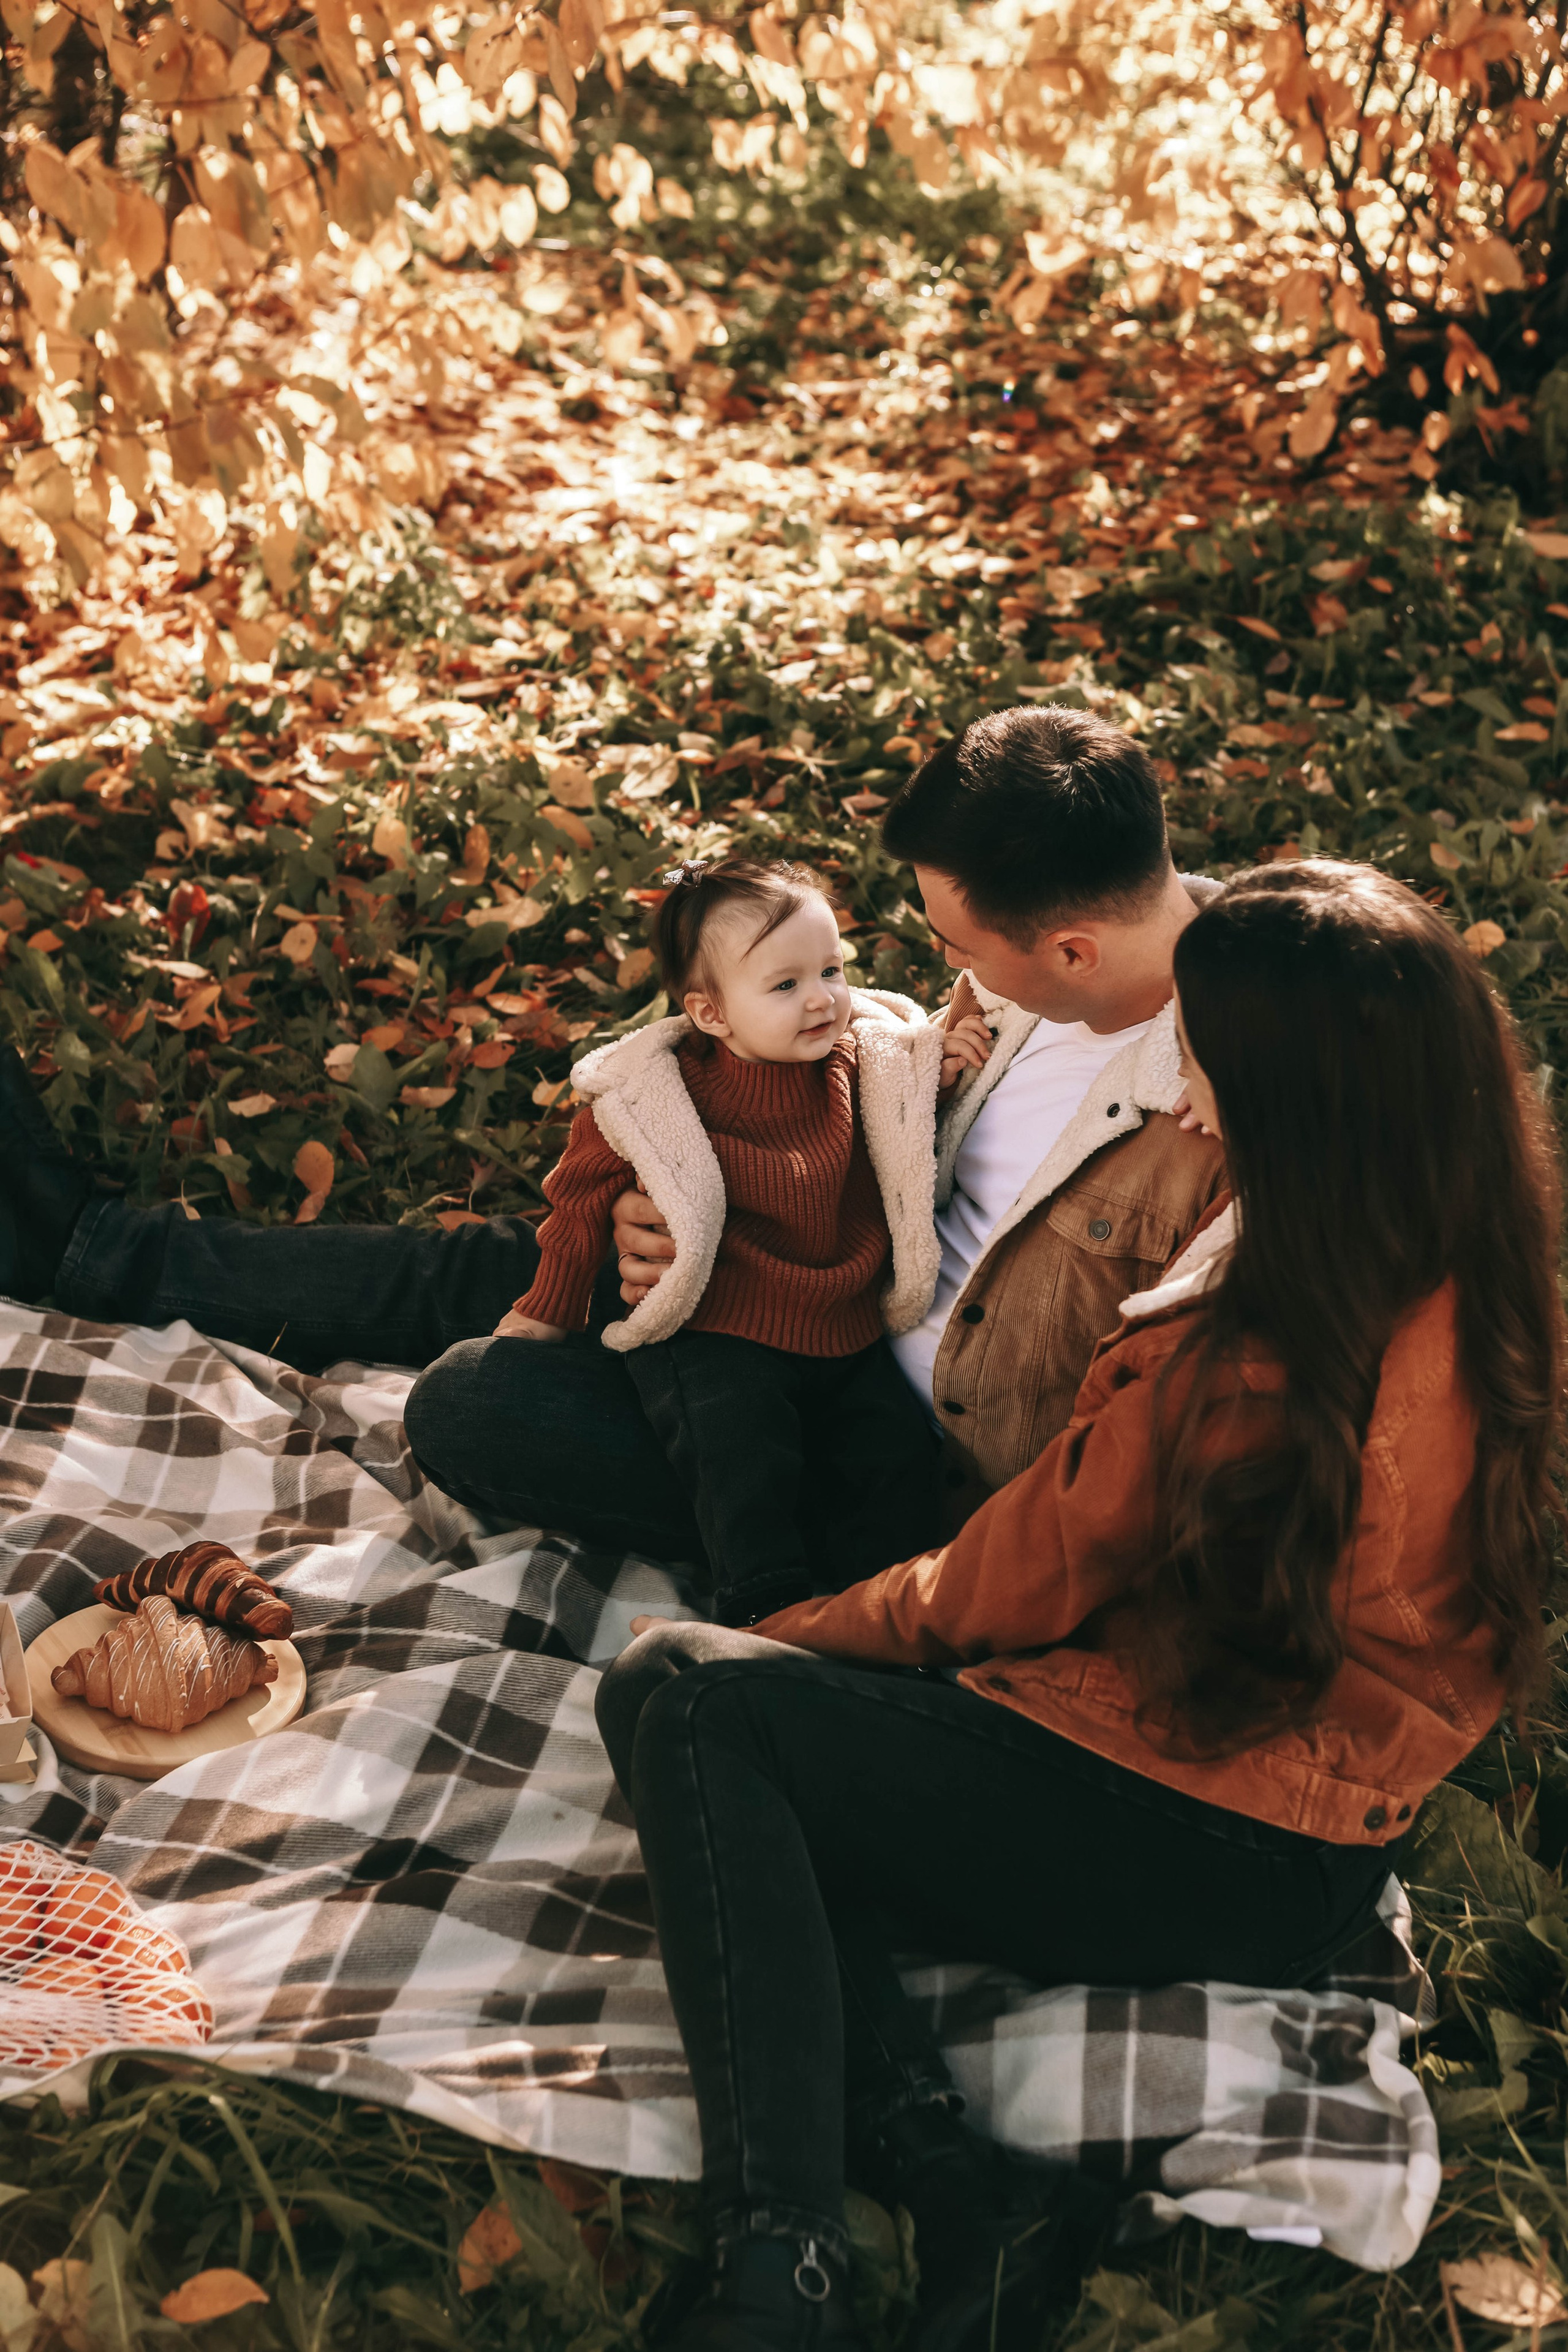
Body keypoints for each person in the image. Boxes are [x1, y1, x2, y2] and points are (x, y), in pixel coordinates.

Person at [594, 861, 1564, 2352]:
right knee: (759, 1788)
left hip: (1198, 1822)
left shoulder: (1254, 1338)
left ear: (1286, 1097)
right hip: (1305, 1806)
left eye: (1203, 1067)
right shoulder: (1476, 1250)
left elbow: (996, 1584)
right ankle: (953, 2180)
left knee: (689, 1704)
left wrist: (767, 1644)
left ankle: (775, 2243)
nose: (1183, 1101)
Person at [0, 706, 1224, 1553]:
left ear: (1072, 950)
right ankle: (90, 1251)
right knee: (498, 1262)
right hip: (793, 1247)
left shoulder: (1248, 1093)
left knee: (472, 1407)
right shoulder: (1065, 961)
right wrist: (679, 1196)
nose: (946, 970)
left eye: (958, 947)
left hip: (871, 1447)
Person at [497, 853, 991, 1624]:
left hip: (841, 1325)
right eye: (785, 985)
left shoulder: (864, 1063)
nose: (822, 998)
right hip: (716, 1324)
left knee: (891, 1462)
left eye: (831, 970)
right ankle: (763, 1610)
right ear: (711, 1014)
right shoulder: (661, 1097)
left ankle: (889, 1620)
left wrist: (942, 1067)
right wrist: (546, 1311)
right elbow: (580, 1197)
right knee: (738, 1459)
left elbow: (905, 1106)